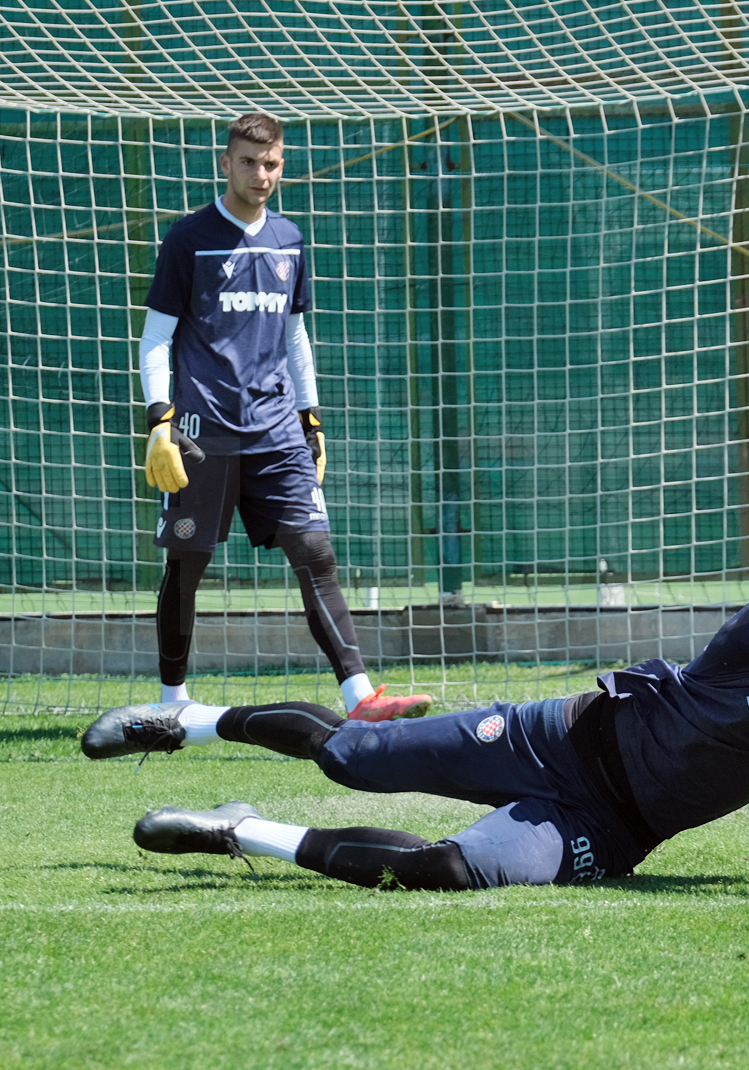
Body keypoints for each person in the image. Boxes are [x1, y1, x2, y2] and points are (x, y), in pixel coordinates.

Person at [80, 504, 749, 891]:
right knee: (350, 752)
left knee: (455, 870)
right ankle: (192, 719)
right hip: (557, 742)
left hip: (613, 829)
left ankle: (244, 832)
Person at [137, 112, 429, 721]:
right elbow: (156, 338)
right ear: (225, 163)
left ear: (282, 165)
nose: (260, 174)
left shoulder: (291, 240)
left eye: (270, 163)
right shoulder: (188, 238)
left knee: (316, 553)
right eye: (248, 161)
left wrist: (310, 417)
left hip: (276, 431)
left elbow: (295, 337)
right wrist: (159, 420)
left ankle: (360, 698)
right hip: (201, 435)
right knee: (186, 567)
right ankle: (172, 705)